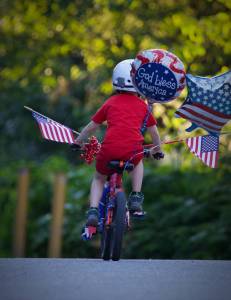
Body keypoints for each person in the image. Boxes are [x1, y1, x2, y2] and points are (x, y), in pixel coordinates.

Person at [74, 59, 164, 227]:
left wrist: (78, 142)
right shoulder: (143, 106)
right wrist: (157, 150)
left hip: (108, 151)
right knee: (138, 162)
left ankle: (93, 210)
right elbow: (154, 132)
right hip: (132, 152)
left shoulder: (110, 103)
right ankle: (136, 196)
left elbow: (91, 127)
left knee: (99, 178)